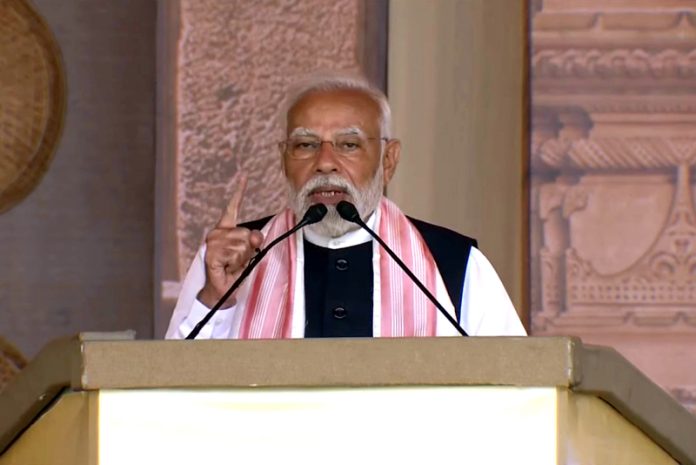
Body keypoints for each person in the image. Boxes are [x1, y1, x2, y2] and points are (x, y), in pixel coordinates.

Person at [166, 74, 526, 339]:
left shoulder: (455, 264)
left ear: (388, 159)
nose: (325, 162)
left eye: (349, 145)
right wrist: (216, 297)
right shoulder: (233, 260)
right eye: (305, 144)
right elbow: (169, 389)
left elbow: (517, 390)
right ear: (283, 159)